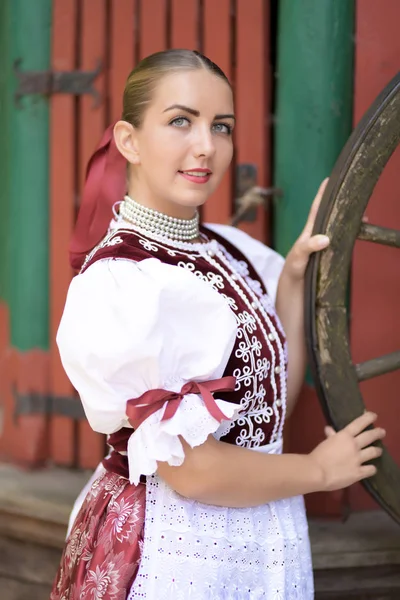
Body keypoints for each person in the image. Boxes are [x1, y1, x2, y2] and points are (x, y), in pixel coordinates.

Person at [50, 49, 385, 600]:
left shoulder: (231, 250)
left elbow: (271, 405)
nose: (206, 146)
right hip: (172, 548)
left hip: (261, 531)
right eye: (180, 121)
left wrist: (294, 275)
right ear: (129, 140)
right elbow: (192, 470)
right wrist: (320, 472)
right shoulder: (123, 283)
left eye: (221, 126)